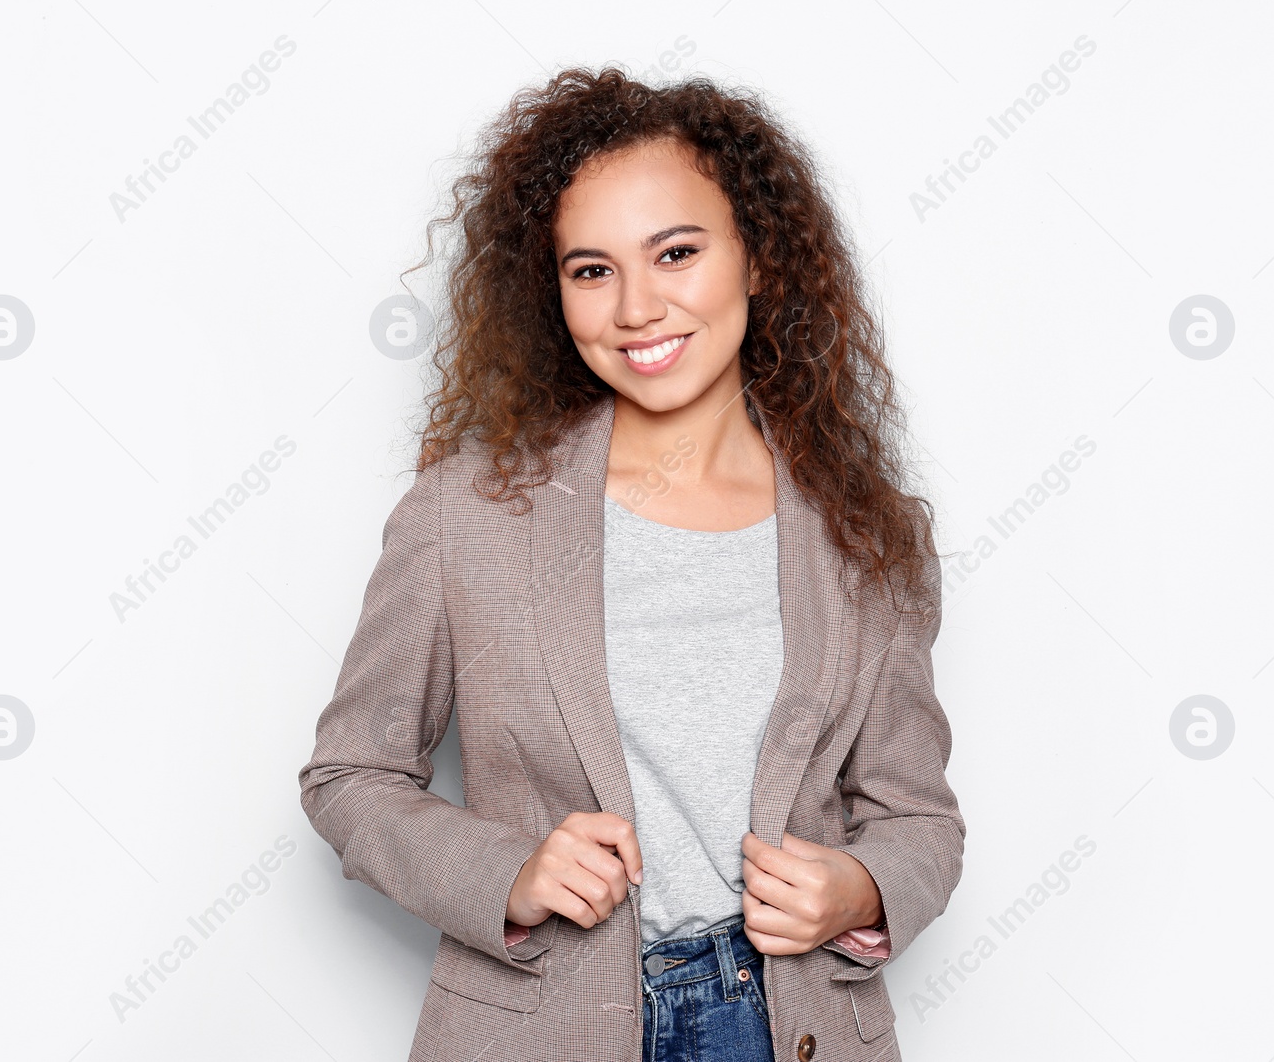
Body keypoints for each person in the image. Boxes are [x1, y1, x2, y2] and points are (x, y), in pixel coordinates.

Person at [298, 65, 964, 1062]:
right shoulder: (469, 512)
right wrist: (507, 871)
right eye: (591, 269)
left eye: (677, 252)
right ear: (554, 291)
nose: (637, 306)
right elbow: (350, 773)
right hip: (545, 1024)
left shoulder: (864, 532)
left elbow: (918, 817)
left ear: (757, 259)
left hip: (787, 1022)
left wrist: (859, 889)